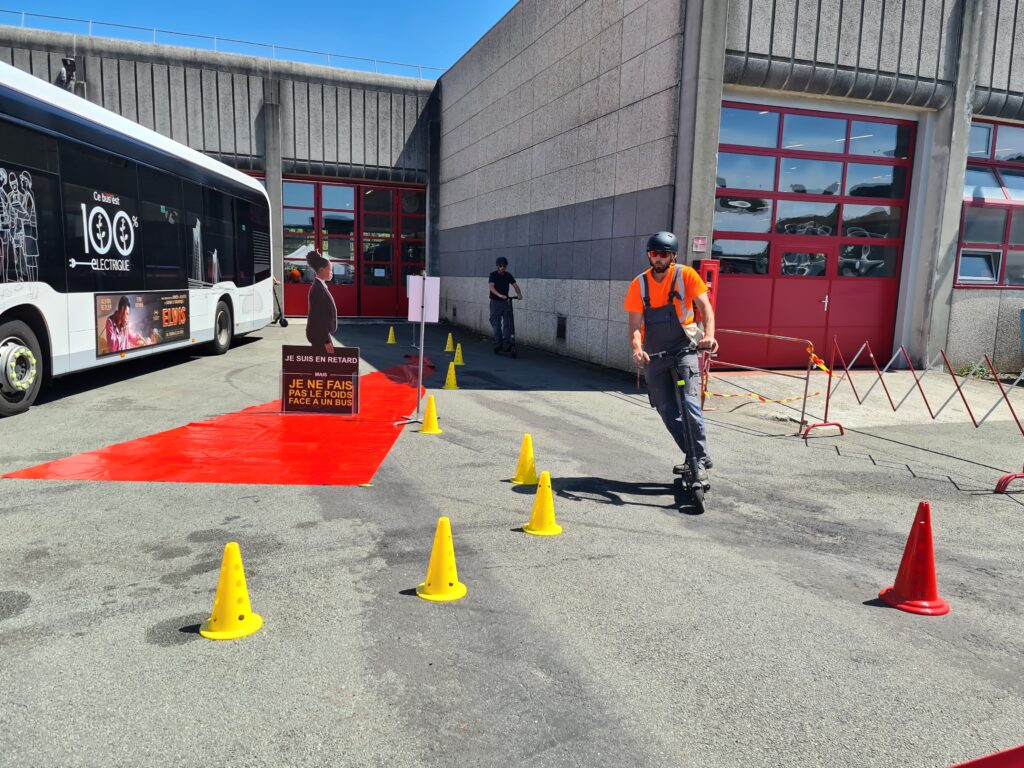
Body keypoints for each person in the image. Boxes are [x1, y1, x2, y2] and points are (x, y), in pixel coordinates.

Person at [623, 231, 718, 477]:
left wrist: (708, 335)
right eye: (654, 254)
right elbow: (634, 325)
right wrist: (637, 350)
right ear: (649, 256)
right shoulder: (638, 284)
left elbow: (705, 307)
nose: (658, 259)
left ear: (673, 256)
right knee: (666, 409)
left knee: (689, 405)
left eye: (663, 254)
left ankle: (700, 456)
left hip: (684, 347)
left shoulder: (685, 275)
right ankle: (692, 455)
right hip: (655, 353)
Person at [305, 248, 337, 353]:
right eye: (330, 269)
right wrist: (326, 341)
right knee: (325, 364)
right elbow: (318, 317)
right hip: (319, 336)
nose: (332, 273)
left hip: (321, 334)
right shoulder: (318, 289)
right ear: (322, 270)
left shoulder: (320, 286)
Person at [488, 256, 522, 352]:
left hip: (505, 302)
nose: (503, 267)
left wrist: (519, 294)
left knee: (507, 323)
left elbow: (515, 285)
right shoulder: (493, 275)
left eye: (504, 266)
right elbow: (491, 287)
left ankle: (507, 342)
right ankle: (499, 342)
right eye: (501, 266)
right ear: (497, 266)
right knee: (496, 323)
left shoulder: (508, 275)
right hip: (495, 302)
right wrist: (499, 295)